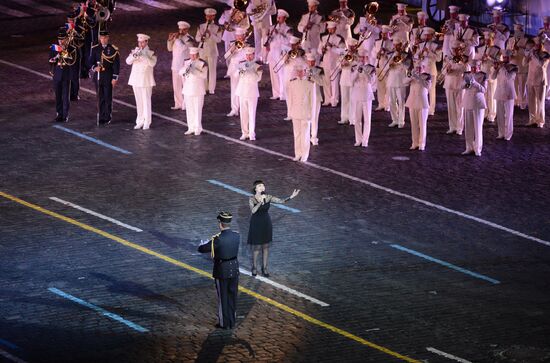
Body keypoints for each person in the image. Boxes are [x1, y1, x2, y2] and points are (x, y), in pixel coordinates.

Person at [198, 212, 240, 330]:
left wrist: (202, 244)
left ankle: (224, 323)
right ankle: (232, 321)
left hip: (222, 270)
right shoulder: (237, 236)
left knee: (223, 297)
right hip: (234, 269)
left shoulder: (218, 239)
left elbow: (202, 248)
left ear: (220, 224)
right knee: (232, 296)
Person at [248, 181, 300, 277]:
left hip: (266, 223)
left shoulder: (268, 197)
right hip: (256, 224)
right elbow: (253, 211)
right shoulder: (252, 199)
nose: (262, 187)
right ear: (255, 188)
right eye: (260, 186)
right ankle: (254, 267)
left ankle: (265, 268)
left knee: (266, 247)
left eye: (263, 185)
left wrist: (291, 197)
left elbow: (281, 201)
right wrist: (260, 202)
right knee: (257, 247)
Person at [126, 33, 157, 130]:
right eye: (139, 42)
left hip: (146, 81)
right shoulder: (135, 51)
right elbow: (128, 61)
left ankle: (147, 121)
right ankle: (139, 121)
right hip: (136, 80)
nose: (140, 44)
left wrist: (142, 56)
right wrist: (135, 55)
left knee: (146, 101)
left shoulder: (151, 53)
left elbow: (152, 63)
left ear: (146, 42)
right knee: (139, 101)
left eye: (142, 42)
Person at [89, 30, 120, 126]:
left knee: (107, 97)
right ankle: (102, 116)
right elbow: (90, 62)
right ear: (99, 38)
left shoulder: (113, 49)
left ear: (108, 38)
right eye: (101, 38)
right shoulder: (95, 48)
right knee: (100, 97)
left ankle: (107, 116)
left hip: (108, 76)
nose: (103, 40)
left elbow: (116, 65)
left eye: (104, 38)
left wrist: (115, 78)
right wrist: (94, 68)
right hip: (98, 77)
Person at [235, 47, 262, 140]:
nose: (248, 57)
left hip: (252, 92)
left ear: (253, 55)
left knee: (251, 113)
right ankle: (244, 132)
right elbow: (236, 75)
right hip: (242, 91)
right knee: (243, 114)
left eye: (250, 55)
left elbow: (258, 78)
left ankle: (251, 133)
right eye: (247, 55)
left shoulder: (257, 65)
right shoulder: (241, 64)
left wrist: (250, 70)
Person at [288, 66, 314, 162]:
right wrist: (290, 111)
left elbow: (313, 102)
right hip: (296, 111)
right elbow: (291, 99)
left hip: (305, 113)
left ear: (305, 71)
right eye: (297, 71)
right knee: (297, 134)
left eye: (301, 71)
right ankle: (298, 153)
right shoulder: (292, 83)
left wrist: (312, 115)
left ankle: (305, 154)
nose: (299, 73)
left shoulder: (310, 84)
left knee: (305, 135)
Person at [265, 9, 292, 100]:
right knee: (273, 74)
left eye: (280, 17)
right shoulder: (272, 27)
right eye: (278, 17)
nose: (278, 19)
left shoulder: (288, 29)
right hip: (272, 52)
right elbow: (268, 40)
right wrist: (267, 37)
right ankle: (275, 93)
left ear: (284, 18)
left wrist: (279, 34)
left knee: (281, 73)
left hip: (281, 52)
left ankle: (282, 94)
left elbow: (288, 41)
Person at [179, 47, 207, 136]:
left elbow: (204, 76)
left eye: (194, 55)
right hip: (188, 89)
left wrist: (194, 71)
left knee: (197, 109)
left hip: (198, 89)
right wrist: (186, 69)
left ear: (198, 55)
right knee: (189, 109)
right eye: (191, 55)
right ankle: (190, 127)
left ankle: (198, 128)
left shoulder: (202, 63)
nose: (193, 56)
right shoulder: (187, 62)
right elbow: (181, 72)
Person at [49, 27, 74, 123]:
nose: (60, 41)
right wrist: (55, 58)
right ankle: (59, 114)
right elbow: (50, 60)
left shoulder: (71, 48)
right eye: (59, 39)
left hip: (66, 74)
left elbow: (72, 61)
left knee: (65, 96)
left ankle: (65, 115)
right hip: (57, 75)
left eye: (62, 39)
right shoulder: (54, 48)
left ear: (66, 39)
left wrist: (66, 52)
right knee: (58, 96)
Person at [461, 59, 487, 156]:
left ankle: (477, 149)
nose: (473, 69)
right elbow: (462, 86)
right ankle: (469, 147)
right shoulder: (467, 74)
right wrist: (468, 83)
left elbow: (484, 90)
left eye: (475, 67)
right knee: (468, 127)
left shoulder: (483, 75)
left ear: (479, 67)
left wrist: (475, 83)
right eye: (471, 67)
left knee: (478, 127)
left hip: (478, 103)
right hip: (468, 102)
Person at [350, 50, 375, 147]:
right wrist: (357, 70)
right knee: (357, 119)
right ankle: (358, 139)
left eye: (364, 57)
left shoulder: (371, 68)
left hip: (367, 95)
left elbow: (371, 81)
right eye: (360, 57)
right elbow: (351, 80)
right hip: (357, 95)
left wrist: (365, 71)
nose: (362, 59)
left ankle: (365, 140)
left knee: (367, 120)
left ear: (367, 58)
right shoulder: (354, 67)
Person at [443, 41, 469, 135]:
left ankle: (459, 128)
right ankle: (452, 127)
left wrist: (461, 63)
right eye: (453, 50)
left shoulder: (465, 59)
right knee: (451, 107)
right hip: (449, 85)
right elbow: (443, 72)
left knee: (460, 107)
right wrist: (447, 69)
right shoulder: (448, 59)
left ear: (460, 50)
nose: (455, 51)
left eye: (457, 50)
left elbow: (467, 70)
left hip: (459, 85)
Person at [167, 21, 194, 110]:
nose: (181, 31)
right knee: (176, 86)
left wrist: (177, 39)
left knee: (186, 85)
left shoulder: (189, 38)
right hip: (175, 65)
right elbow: (169, 49)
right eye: (180, 29)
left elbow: (183, 48)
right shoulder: (176, 38)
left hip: (184, 65)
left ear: (187, 30)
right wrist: (170, 40)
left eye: (183, 30)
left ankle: (186, 104)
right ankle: (178, 103)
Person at [523, 37, 550, 128]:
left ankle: (540, 121)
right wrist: (527, 56)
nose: (536, 46)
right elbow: (524, 64)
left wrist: (534, 55)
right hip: (530, 79)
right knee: (531, 101)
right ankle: (532, 120)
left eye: (538, 45)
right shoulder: (531, 53)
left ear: (541, 45)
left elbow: (541, 64)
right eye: (535, 44)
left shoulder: (545, 54)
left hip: (540, 81)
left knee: (540, 101)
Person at [318, 21, 345, 107]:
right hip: (326, 62)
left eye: (332, 29)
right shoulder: (324, 38)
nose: (330, 31)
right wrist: (322, 50)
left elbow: (342, 51)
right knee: (326, 82)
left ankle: (334, 100)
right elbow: (319, 50)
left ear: (335, 29)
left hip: (335, 63)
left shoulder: (339, 39)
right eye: (329, 29)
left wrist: (332, 47)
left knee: (334, 82)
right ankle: (327, 100)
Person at [404, 65, 431, 151]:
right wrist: (411, 76)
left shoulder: (427, 76)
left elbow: (428, 86)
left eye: (420, 68)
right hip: (412, 102)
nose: (418, 69)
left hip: (422, 103)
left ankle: (421, 144)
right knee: (414, 124)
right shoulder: (412, 75)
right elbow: (404, 82)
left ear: (424, 68)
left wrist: (418, 78)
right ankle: (414, 143)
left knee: (422, 124)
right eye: (417, 68)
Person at [225, 27, 251, 117]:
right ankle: (234, 109)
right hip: (233, 68)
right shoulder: (232, 44)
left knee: (243, 89)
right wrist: (232, 50)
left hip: (243, 67)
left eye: (240, 36)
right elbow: (226, 57)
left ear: (244, 36)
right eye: (237, 36)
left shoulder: (248, 45)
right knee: (234, 89)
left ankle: (243, 108)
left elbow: (250, 58)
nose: (238, 38)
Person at [492, 50, 517, 140]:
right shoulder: (500, 67)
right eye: (504, 57)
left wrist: (504, 67)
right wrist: (495, 69)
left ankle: (508, 134)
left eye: (506, 58)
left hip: (509, 94)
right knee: (500, 115)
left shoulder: (513, 67)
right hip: (499, 93)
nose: (504, 59)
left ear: (509, 58)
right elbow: (492, 77)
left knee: (509, 115)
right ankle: (501, 133)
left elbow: (509, 77)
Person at [196, 8, 223, 95]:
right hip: (202, 50)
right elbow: (197, 38)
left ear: (214, 16)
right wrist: (201, 37)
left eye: (211, 16)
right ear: (205, 16)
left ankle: (211, 88)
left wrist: (211, 34)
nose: (209, 17)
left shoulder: (217, 27)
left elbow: (219, 40)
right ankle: (204, 87)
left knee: (212, 70)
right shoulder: (201, 26)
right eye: (208, 16)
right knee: (202, 69)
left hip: (212, 51)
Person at [305, 53, 324, 145]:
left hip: (316, 96)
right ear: (307, 61)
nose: (311, 63)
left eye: (313, 61)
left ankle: (314, 137)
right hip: (306, 97)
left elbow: (322, 82)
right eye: (309, 61)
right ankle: (306, 136)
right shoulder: (303, 70)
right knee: (306, 117)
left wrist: (313, 77)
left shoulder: (319, 70)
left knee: (315, 118)